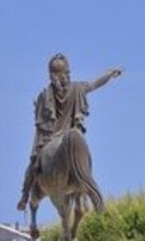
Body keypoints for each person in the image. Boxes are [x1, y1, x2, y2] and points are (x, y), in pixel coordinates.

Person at [16, 53, 123, 212]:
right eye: (67, 73)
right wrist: (109, 73)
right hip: (73, 132)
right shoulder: (77, 88)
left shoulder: (44, 96)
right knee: (83, 160)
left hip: (50, 139)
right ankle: (88, 187)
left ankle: (24, 198)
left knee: (33, 165)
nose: (67, 76)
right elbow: (95, 84)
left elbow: (40, 125)